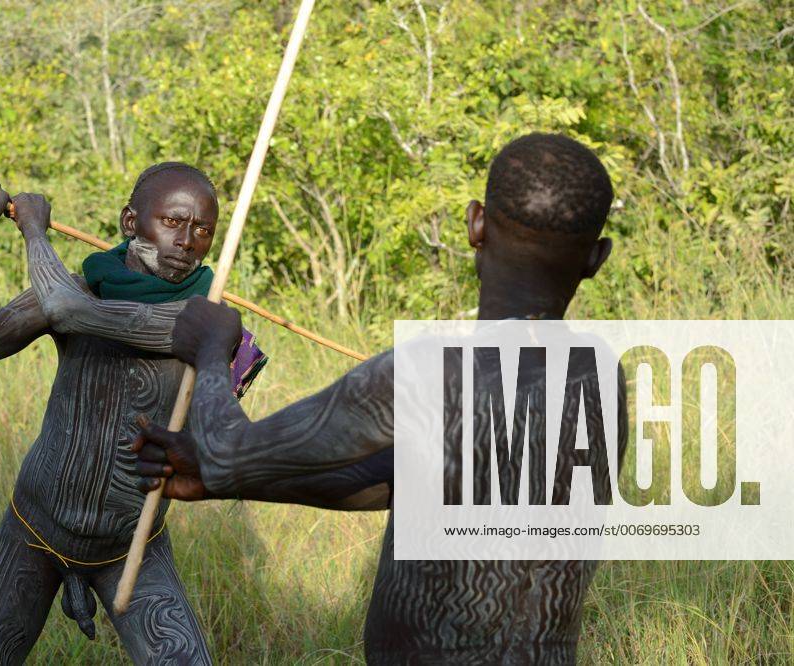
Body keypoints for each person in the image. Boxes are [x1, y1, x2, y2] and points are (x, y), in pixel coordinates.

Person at [130, 134, 623, 663]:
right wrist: (225, 480)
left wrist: (210, 351)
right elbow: (405, 481)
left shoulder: (426, 372)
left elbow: (226, 448)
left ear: (475, 223)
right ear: (596, 258)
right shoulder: (599, 375)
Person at [0, 162, 264, 664]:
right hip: (33, 528)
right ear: (130, 223)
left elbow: (66, 311)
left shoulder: (199, 319)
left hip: (129, 547)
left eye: (203, 229)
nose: (187, 241)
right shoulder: (80, 285)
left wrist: (34, 230)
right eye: (172, 221)